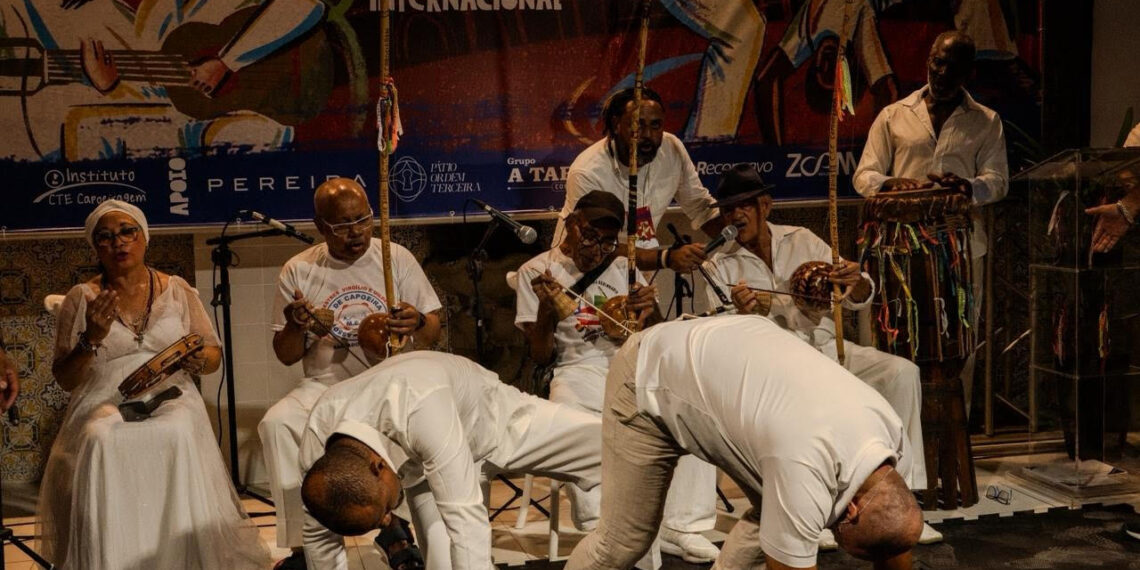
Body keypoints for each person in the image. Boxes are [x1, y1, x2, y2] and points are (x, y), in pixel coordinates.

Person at [566, 315, 925, 570]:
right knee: (622, 544)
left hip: (731, 344)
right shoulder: (802, 464)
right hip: (647, 373)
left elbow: (893, 543)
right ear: (851, 510)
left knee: (775, 517)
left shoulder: (892, 450)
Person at [702, 164, 939, 545]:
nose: (735, 216)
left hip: (827, 347)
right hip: (777, 364)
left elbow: (858, 295)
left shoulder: (802, 239)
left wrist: (855, 281)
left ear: (766, 205)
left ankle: (904, 499)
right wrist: (747, 314)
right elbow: (721, 331)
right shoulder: (718, 263)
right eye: (728, 209)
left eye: (744, 205)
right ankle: (819, 513)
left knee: (900, 373)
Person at [38, 200, 269, 569]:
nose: (119, 243)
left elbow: (211, 356)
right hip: (104, 396)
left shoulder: (177, 290)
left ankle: (176, 555)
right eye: (106, 237)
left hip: (171, 393)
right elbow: (65, 378)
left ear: (144, 237)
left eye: (128, 232)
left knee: (176, 429)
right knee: (100, 437)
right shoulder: (81, 298)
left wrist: (198, 360)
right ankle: (115, 556)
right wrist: (90, 339)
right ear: (96, 247)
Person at [518, 191, 719, 563]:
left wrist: (649, 312)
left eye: (608, 240)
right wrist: (548, 312)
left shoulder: (621, 265)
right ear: (572, 224)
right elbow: (540, 354)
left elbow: (654, 335)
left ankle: (681, 524)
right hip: (575, 370)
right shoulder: (539, 270)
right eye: (591, 235)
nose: (598, 247)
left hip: (629, 363)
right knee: (576, 420)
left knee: (691, 411)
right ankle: (602, 526)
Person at [260, 177, 443, 569]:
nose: (356, 233)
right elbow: (286, 355)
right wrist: (295, 325)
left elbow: (433, 330)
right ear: (321, 226)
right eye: (342, 226)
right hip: (324, 385)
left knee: (412, 422)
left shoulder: (395, 258)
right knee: (276, 424)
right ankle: (303, 545)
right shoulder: (300, 269)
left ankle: (397, 530)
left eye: (363, 220)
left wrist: (416, 322)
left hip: (388, 380)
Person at [298, 351, 603, 570]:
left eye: (385, 510)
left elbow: (465, 522)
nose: (389, 521)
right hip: (423, 474)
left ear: (378, 467)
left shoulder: (417, 404)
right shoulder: (320, 463)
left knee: (613, 447)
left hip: (501, 422)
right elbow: (319, 541)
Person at [853, 30, 1008, 411]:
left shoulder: (986, 121)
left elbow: (998, 181)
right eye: (936, 62)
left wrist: (969, 188)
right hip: (902, 253)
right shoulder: (894, 115)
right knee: (897, 338)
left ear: (968, 73)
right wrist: (891, 183)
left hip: (961, 252)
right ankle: (894, 431)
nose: (940, 72)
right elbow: (863, 176)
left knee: (958, 339)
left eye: (951, 67)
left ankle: (953, 430)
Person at [556, 87, 725, 274]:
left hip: (641, 270)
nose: (647, 135)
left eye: (655, 125)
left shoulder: (672, 150)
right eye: (637, 125)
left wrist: (743, 231)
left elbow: (700, 207)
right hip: (582, 271)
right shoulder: (587, 171)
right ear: (616, 124)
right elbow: (592, 245)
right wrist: (665, 258)